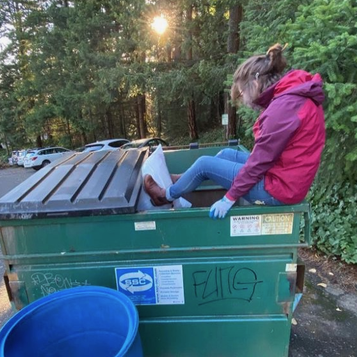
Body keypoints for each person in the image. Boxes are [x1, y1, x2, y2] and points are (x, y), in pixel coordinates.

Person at [144, 43, 326, 219]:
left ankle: (164, 195)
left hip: (279, 189)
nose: (244, 101)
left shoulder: (283, 109)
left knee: (204, 164)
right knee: (227, 154)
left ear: (254, 83)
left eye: (241, 93)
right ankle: (182, 180)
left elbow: (260, 162)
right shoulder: (290, 98)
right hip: (284, 176)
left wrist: (228, 198)